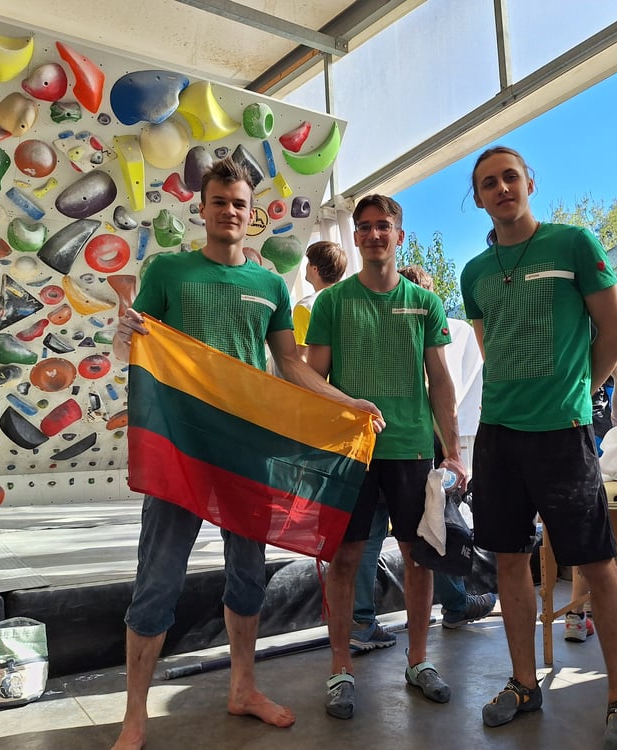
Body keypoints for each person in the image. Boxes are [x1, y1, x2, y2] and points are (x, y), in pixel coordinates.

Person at [110, 157, 383, 750]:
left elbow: (289, 365)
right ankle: (135, 716)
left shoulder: (269, 286)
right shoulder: (168, 271)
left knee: (248, 578)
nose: (229, 212)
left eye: (239, 203)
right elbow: (138, 344)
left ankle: (243, 688)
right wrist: (120, 336)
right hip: (182, 449)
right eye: (220, 202)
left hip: (246, 453)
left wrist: (347, 403)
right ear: (202, 208)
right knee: (157, 580)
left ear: (251, 213)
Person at [461, 146, 617, 747]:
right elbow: (491, 348)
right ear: (479, 198)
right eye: (489, 183)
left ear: (530, 182)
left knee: (595, 562)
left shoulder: (573, 244)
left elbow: (615, 331)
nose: (501, 188)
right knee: (508, 560)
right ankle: (523, 683)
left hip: (563, 434)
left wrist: (579, 393)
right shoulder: (473, 273)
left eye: (510, 177)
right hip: (498, 435)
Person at [306, 195, 468, 720]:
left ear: (399, 235)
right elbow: (312, 379)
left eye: (384, 226)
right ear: (355, 237)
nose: (375, 234)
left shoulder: (425, 303)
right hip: (352, 454)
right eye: (365, 227)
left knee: (419, 558)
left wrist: (454, 452)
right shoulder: (331, 303)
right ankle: (340, 669)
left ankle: (418, 661)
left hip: (413, 450)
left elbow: (440, 380)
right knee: (345, 559)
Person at [349, 264, 495, 649]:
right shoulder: (424, 328)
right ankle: (455, 605)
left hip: (372, 444)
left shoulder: (368, 326)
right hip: (412, 446)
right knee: (432, 529)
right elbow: (439, 390)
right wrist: (451, 451)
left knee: (369, 538)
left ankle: (361, 622)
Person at [566, 354, 617, 643]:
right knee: (598, 531)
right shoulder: (608, 333)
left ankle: (575, 615)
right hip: (594, 429)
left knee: (577, 527)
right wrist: (616, 419)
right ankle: (595, 614)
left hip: (555, 426)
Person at [293, 240, 347, 361]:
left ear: (315, 269)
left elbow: (302, 358)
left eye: (308, 263)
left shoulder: (306, 307)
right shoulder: (351, 302)